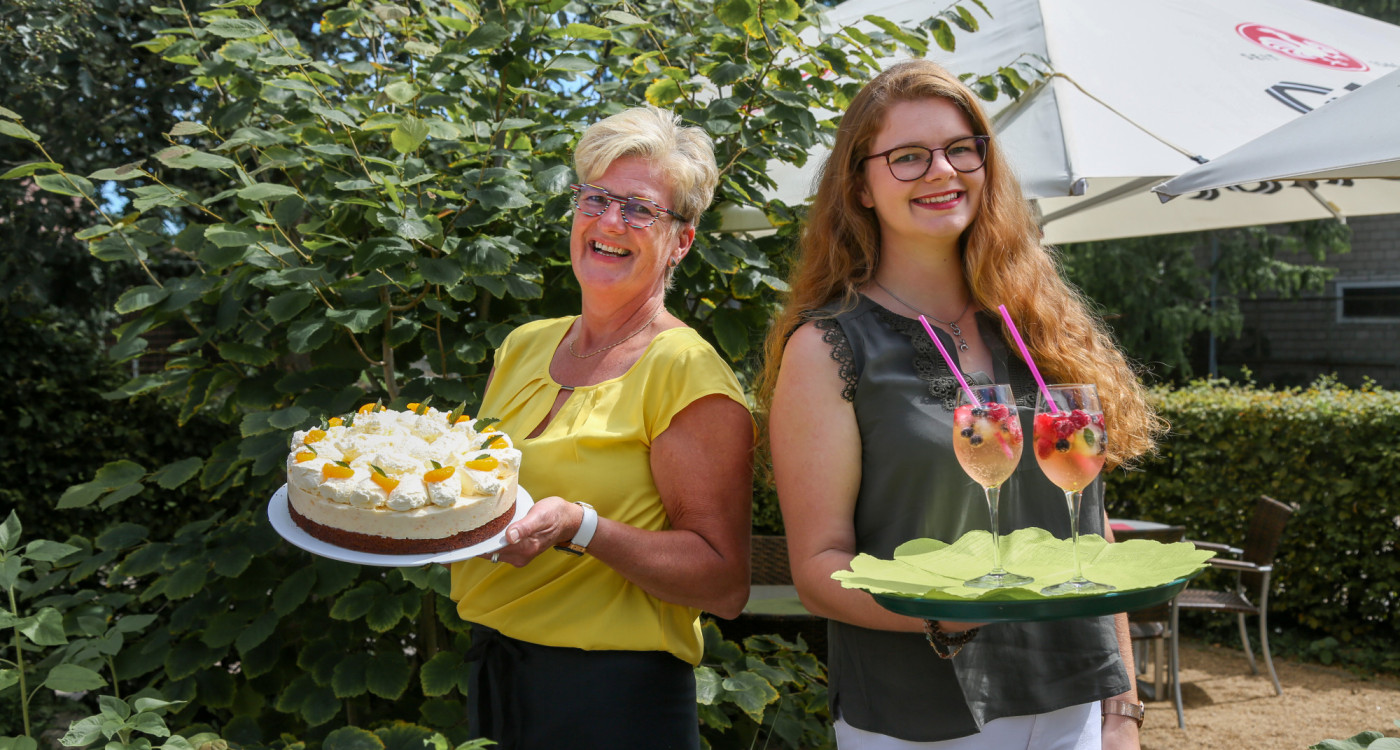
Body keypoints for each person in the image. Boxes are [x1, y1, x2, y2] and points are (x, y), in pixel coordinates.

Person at [759, 59, 1164, 749]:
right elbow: (820, 566)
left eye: (960, 149)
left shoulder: (1039, 324)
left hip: (1073, 703)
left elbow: (1086, 527)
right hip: (918, 714)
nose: (942, 171)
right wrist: (946, 617)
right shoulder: (827, 348)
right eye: (908, 157)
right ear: (860, 186)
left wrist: (1121, 706)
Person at [449, 106, 755, 750]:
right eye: (596, 199)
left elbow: (724, 584)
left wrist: (581, 527)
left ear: (681, 242)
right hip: (495, 671)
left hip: (614, 699)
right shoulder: (523, 346)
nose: (610, 222)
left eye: (640, 209)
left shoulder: (686, 371)